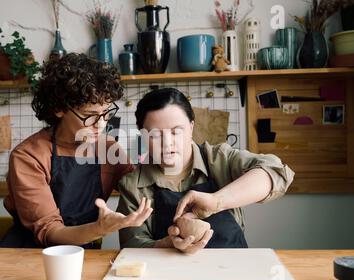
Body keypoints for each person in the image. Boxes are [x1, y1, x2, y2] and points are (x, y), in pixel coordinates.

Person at [0, 53, 152, 248]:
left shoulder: (108, 149)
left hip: (83, 252)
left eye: (106, 113)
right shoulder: (29, 156)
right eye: (90, 116)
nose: (101, 124)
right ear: (59, 108)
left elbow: (140, 186)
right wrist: (100, 229)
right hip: (30, 254)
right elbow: (50, 231)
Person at [117, 88, 295, 254]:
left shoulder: (220, 160)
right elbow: (132, 246)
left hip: (231, 272)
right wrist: (168, 244)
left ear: (191, 128)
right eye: (155, 135)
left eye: (176, 132)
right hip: (168, 277)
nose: (167, 143)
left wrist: (217, 201)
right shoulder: (133, 185)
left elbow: (275, 171)